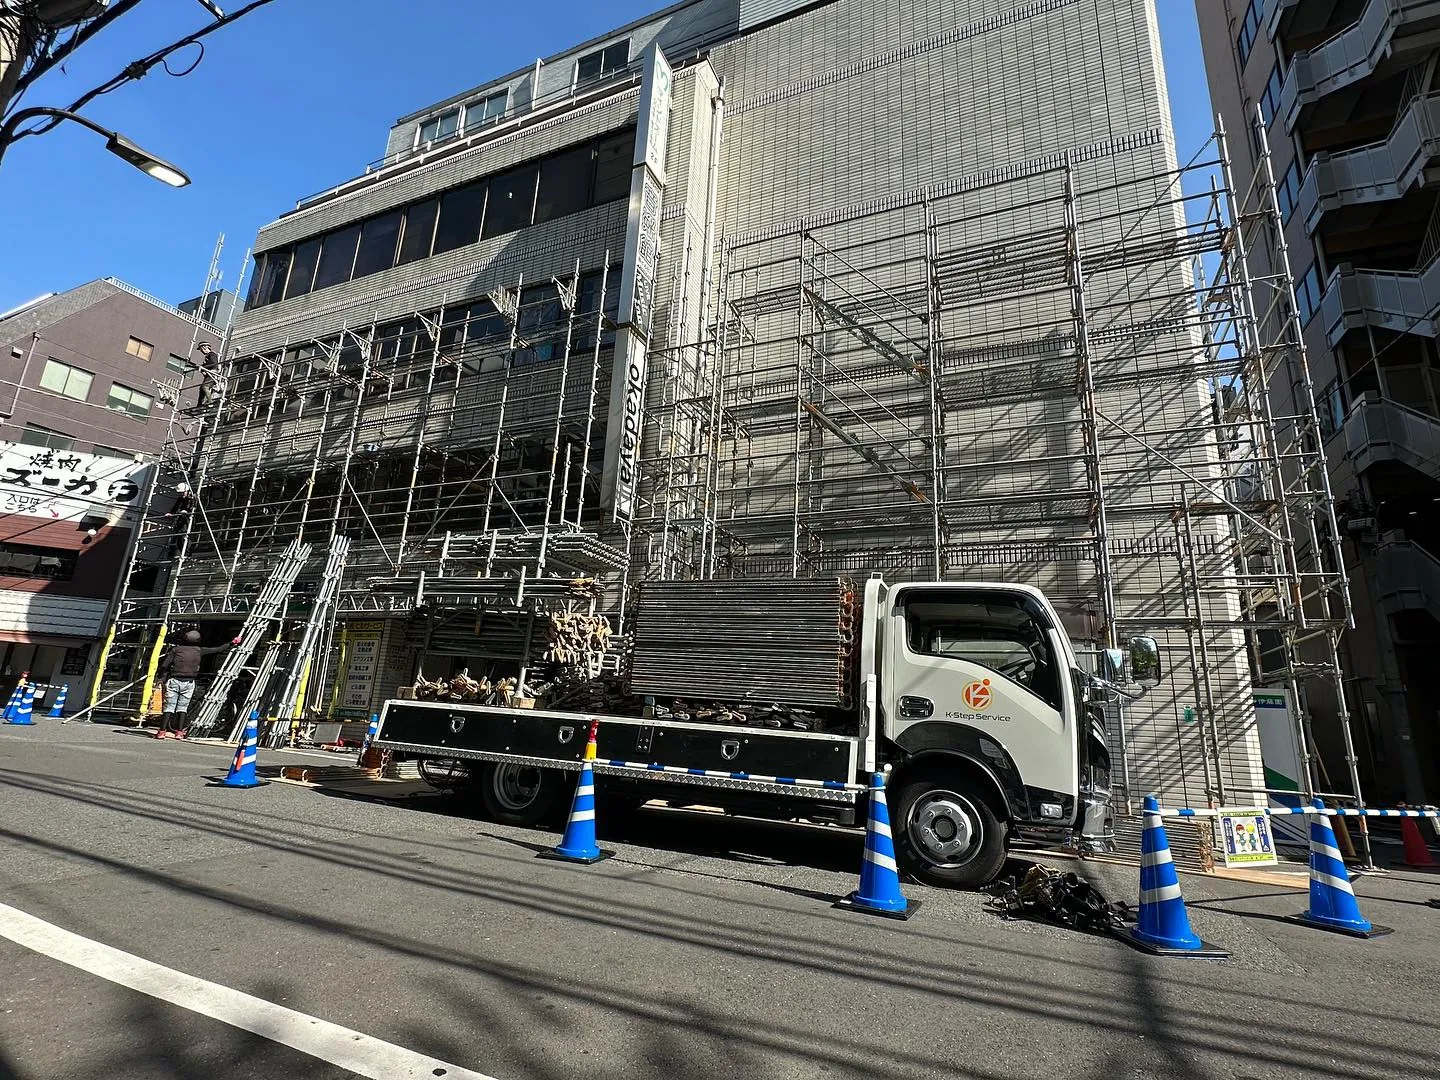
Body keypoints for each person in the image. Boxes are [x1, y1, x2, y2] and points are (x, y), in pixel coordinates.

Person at [156, 629, 240, 739]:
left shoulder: (176, 650)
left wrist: (162, 678)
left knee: (169, 707)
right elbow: (218, 649)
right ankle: (179, 732)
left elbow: (164, 665)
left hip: (174, 680)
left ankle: (162, 731)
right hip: (189, 682)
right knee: (183, 707)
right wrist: (232, 643)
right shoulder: (199, 650)